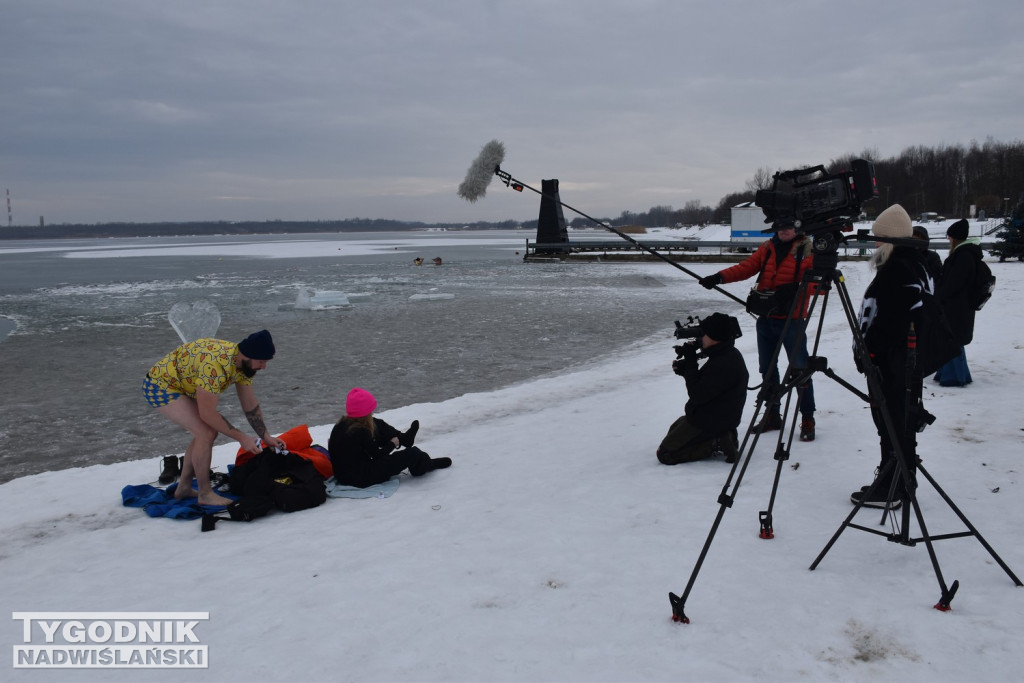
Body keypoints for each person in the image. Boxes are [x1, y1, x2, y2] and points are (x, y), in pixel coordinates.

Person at [698, 222, 817, 441]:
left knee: (800, 370)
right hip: (766, 318)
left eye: (789, 225)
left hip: (792, 320)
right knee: (767, 369)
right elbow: (746, 267)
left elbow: (820, 285)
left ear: (798, 227)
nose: (784, 229)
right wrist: (719, 277)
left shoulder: (808, 250)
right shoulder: (768, 247)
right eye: (780, 225)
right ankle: (772, 415)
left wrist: (796, 288)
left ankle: (808, 418)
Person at [142, 330, 286, 506]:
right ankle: (205, 494)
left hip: (185, 383)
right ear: (247, 355)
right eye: (262, 361)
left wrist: (266, 436)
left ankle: (184, 487)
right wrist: (242, 438)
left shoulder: (243, 365)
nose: (264, 367)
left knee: (205, 432)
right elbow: (207, 414)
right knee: (206, 432)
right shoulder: (215, 367)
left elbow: (250, 404)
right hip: (160, 385)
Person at [851, 204, 932, 509]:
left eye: (879, 238)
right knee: (897, 423)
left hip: (893, 366)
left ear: (890, 240)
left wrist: (870, 354)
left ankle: (893, 485)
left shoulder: (900, 270)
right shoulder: (912, 264)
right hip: (899, 364)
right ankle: (899, 478)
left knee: (893, 424)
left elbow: (892, 323)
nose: (875, 244)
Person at [657, 313, 749, 465]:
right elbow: (709, 385)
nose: (701, 338)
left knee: (666, 454)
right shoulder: (726, 353)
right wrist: (687, 369)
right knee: (675, 428)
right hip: (716, 415)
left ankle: (717, 441)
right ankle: (724, 434)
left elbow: (697, 394)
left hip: (712, 420)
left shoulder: (723, 363)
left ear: (715, 337)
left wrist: (691, 363)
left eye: (704, 334)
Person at [328, 388, 451, 487]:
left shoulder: (340, 425)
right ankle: (426, 465)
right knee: (413, 453)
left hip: (344, 474)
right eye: (370, 410)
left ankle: (405, 438)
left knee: (376, 424)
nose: (372, 412)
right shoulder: (361, 431)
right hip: (361, 478)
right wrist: (393, 444)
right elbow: (378, 455)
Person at [933, 218, 981, 387]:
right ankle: (949, 373)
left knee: (953, 341)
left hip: (956, 307)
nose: (949, 240)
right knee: (951, 340)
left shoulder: (963, 256)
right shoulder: (965, 254)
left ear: (954, 238)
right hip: (957, 306)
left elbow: (954, 283)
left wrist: (939, 296)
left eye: (950, 237)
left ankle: (954, 376)